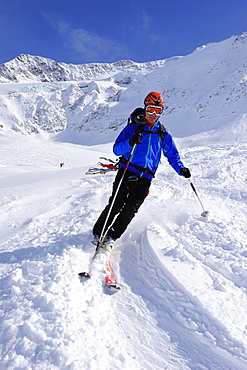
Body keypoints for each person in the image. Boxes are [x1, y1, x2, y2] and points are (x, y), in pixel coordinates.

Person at [93, 92, 191, 251]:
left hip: (146, 177)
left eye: (157, 111)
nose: (153, 114)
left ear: (161, 111)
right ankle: (98, 233)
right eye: (151, 109)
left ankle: (111, 237)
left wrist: (181, 169)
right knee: (116, 205)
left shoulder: (163, 133)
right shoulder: (133, 128)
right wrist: (130, 142)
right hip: (127, 171)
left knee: (130, 210)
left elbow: (172, 155)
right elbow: (117, 149)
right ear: (145, 108)